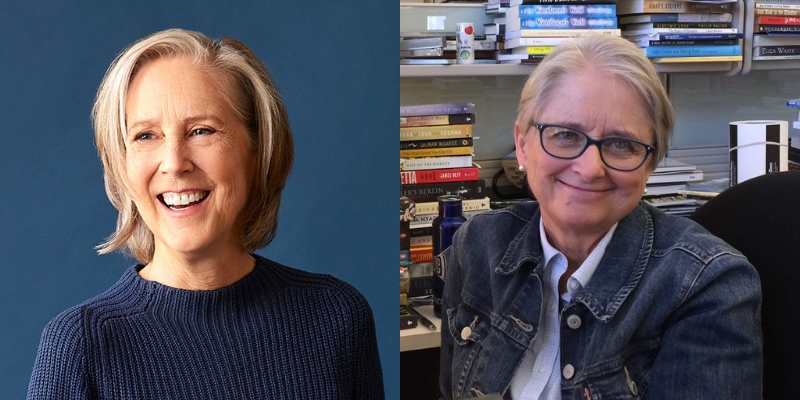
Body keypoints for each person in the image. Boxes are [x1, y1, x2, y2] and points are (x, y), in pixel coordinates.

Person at [27, 28, 384, 399]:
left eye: (201, 131)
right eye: (146, 136)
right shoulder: (80, 346)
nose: (175, 163)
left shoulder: (337, 316)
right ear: (120, 164)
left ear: (257, 150)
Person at [439, 34, 762, 399]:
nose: (590, 168)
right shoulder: (478, 244)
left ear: (650, 163)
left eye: (622, 144)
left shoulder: (707, 285)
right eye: (564, 135)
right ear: (523, 145)